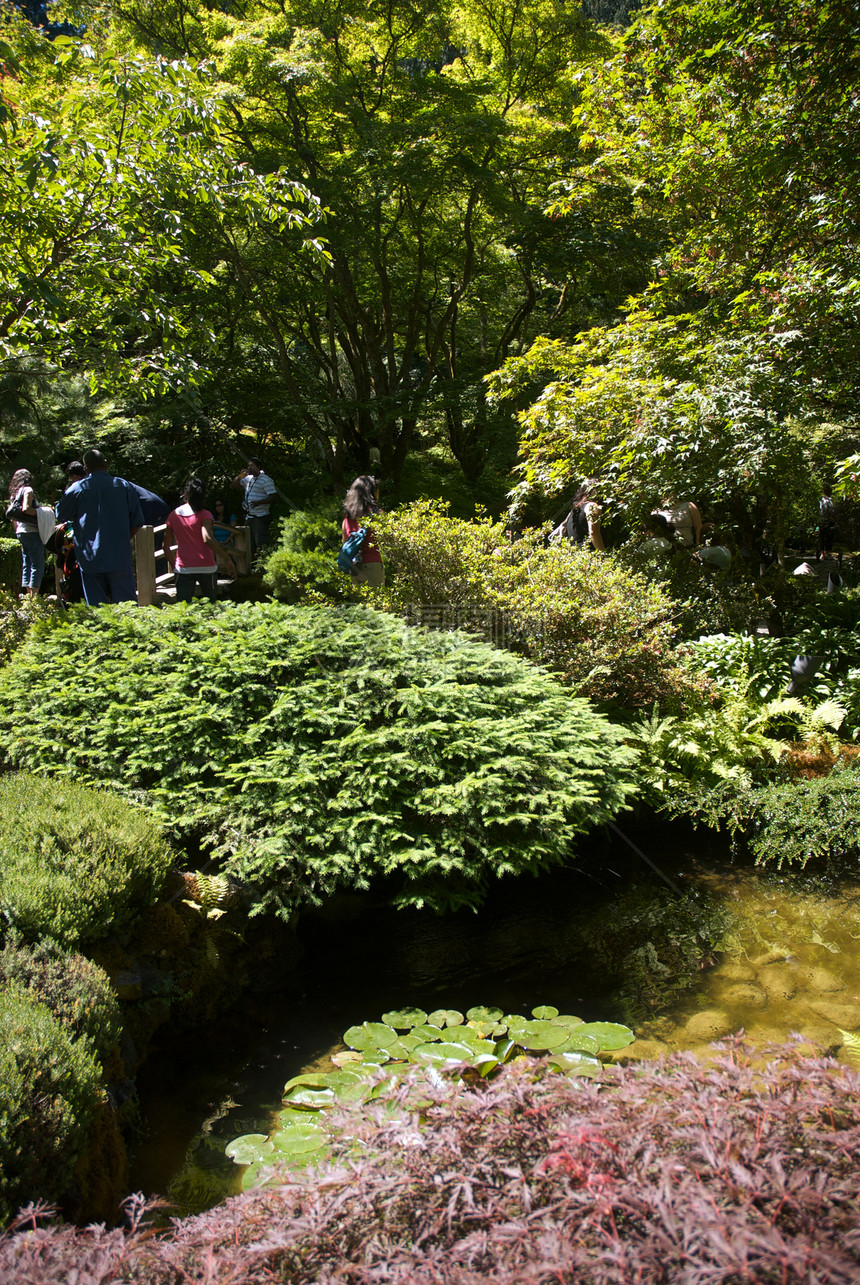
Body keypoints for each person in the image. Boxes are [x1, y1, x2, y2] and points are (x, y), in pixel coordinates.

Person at [55, 449, 144, 606]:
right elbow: (137, 521)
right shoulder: (123, 486)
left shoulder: (77, 489)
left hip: (90, 556)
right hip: (119, 555)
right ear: (106, 464)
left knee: (97, 607)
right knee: (127, 606)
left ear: (86, 468)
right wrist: (122, 539)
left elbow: (60, 514)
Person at [164, 478, 235, 602]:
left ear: (186, 494)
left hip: (183, 568)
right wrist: (227, 558)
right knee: (212, 607)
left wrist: (175, 567)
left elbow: (165, 545)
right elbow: (207, 538)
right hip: (207, 567)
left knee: (184, 610)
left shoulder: (173, 515)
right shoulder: (205, 515)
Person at [342, 475, 384, 587]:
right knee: (377, 603)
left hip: (354, 566)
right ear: (372, 492)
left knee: (359, 604)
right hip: (373, 565)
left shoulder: (348, 517)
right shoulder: (377, 514)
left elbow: (345, 543)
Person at [7, 468, 43, 597]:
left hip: (21, 532)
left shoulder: (15, 494)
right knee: (37, 564)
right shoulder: (28, 490)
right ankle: (34, 597)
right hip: (32, 532)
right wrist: (42, 513)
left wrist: (18, 531)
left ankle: (28, 596)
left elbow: (13, 517)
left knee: (26, 563)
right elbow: (26, 509)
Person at [233, 457, 277, 556]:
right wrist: (240, 476)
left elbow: (274, 497)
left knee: (261, 543)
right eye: (248, 466)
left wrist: (259, 502)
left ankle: (263, 565)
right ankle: (251, 566)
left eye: (251, 466)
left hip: (260, 517)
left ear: (258, 467)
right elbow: (234, 485)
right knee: (248, 543)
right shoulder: (248, 479)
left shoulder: (266, 480)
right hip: (249, 516)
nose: (249, 468)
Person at [551, 479, 605, 551]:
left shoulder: (574, 511)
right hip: (588, 554)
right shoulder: (592, 506)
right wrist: (602, 553)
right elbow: (593, 532)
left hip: (573, 554)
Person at [817, 488, 837, 560]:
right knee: (823, 537)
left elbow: (833, 510)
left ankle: (826, 553)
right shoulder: (822, 500)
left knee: (828, 537)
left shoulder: (830, 500)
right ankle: (823, 553)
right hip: (824, 520)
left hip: (828, 521)